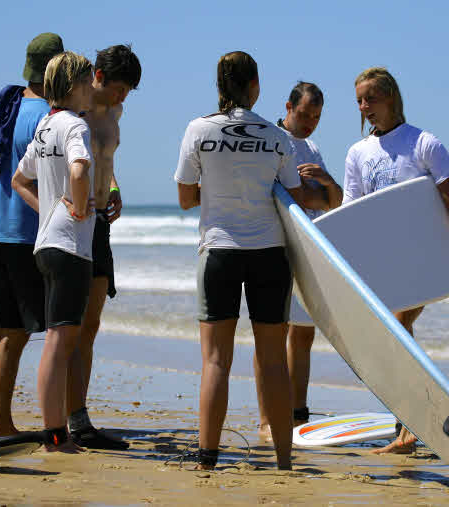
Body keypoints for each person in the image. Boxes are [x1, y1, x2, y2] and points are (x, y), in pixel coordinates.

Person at [174, 51, 306, 471]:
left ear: (218, 85)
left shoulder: (199, 130)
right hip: (269, 254)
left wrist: (214, 191)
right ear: (256, 87)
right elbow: (293, 199)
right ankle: (284, 460)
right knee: (273, 361)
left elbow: (184, 198)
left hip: (219, 252)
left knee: (215, 361)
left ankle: (207, 459)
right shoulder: (276, 137)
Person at [344, 67, 449, 454]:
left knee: (400, 329)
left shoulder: (424, 144)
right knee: (395, 339)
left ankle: (411, 429)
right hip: (382, 261)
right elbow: (351, 211)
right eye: (359, 100)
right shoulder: (357, 152)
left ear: (390, 96)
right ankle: (408, 427)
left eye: (370, 97)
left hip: (424, 258)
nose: (364, 106)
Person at [0, 32, 63, 438]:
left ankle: (0, 420)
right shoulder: (47, 117)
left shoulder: (7, 111)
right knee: (17, 336)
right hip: (27, 236)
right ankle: (7, 424)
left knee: (6, 333)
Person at [12, 51, 95, 453]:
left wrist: (49, 207)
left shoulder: (45, 127)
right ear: (76, 86)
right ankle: (55, 436)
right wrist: (78, 208)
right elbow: (79, 170)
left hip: (46, 243)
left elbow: (18, 180)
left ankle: (54, 433)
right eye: (88, 83)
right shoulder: (75, 125)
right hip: (69, 247)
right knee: (60, 343)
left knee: (55, 341)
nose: (93, 90)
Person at [64, 44, 141, 451]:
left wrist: (112, 188)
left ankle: (79, 418)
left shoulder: (115, 112)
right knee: (68, 326)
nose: (121, 97)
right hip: (69, 221)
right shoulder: (72, 107)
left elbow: (105, 163)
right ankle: (63, 417)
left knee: (90, 327)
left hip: (99, 223)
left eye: (127, 91)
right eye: (118, 88)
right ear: (97, 74)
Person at [254, 81, 342, 439]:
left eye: (316, 117)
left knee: (304, 337)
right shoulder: (272, 139)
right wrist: (313, 195)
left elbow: (333, 200)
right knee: (273, 337)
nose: (309, 123)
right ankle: (265, 419)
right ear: (288, 106)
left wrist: (325, 180)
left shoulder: (313, 147)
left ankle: (297, 414)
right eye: (304, 114)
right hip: (277, 245)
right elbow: (281, 195)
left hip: (310, 249)